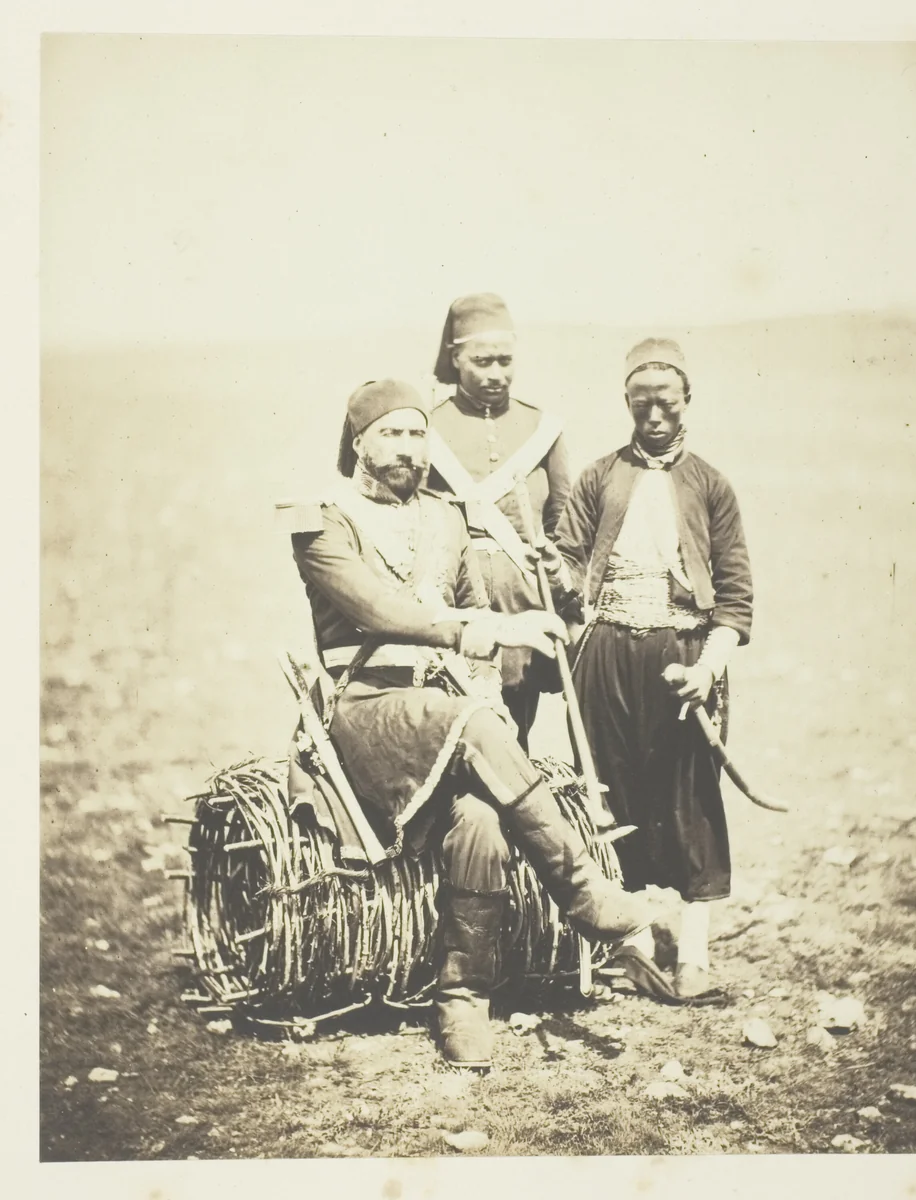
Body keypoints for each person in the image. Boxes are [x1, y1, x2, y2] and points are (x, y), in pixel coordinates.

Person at [282, 378, 654, 1069]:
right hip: (366, 712)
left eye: (416, 433)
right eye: (390, 433)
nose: (406, 447)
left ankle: (461, 999)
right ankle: (582, 893)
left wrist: (493, 662)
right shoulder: (323, 521)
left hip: (449, 716)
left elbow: (475, 614)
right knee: (469, 719)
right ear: (358, 442)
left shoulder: (446, 518)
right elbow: (378, 613)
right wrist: (478, 633)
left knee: (480, 821)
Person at [554, 338, 754, 1004]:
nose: (655, 415)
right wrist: (556, 572)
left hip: (683, 658)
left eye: (666, 402)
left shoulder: (710, 485)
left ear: (687, 400)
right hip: (606, 655)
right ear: (626, 404)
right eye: (642, 404)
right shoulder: (597, 477)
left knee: (690, 801)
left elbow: (735, 597)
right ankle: (631, 944)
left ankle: (692, 955)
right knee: (607, 795)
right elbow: (567, 565)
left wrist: (707, 670)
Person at [426, 293, 575, 748]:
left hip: (523, 600)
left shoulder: (542, 428)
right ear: (455, 357)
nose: (496, 374)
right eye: (482, 361)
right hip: (457, 600)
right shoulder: (427, 428)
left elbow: (564, 525)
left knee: (517, 729)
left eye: (505, 361)